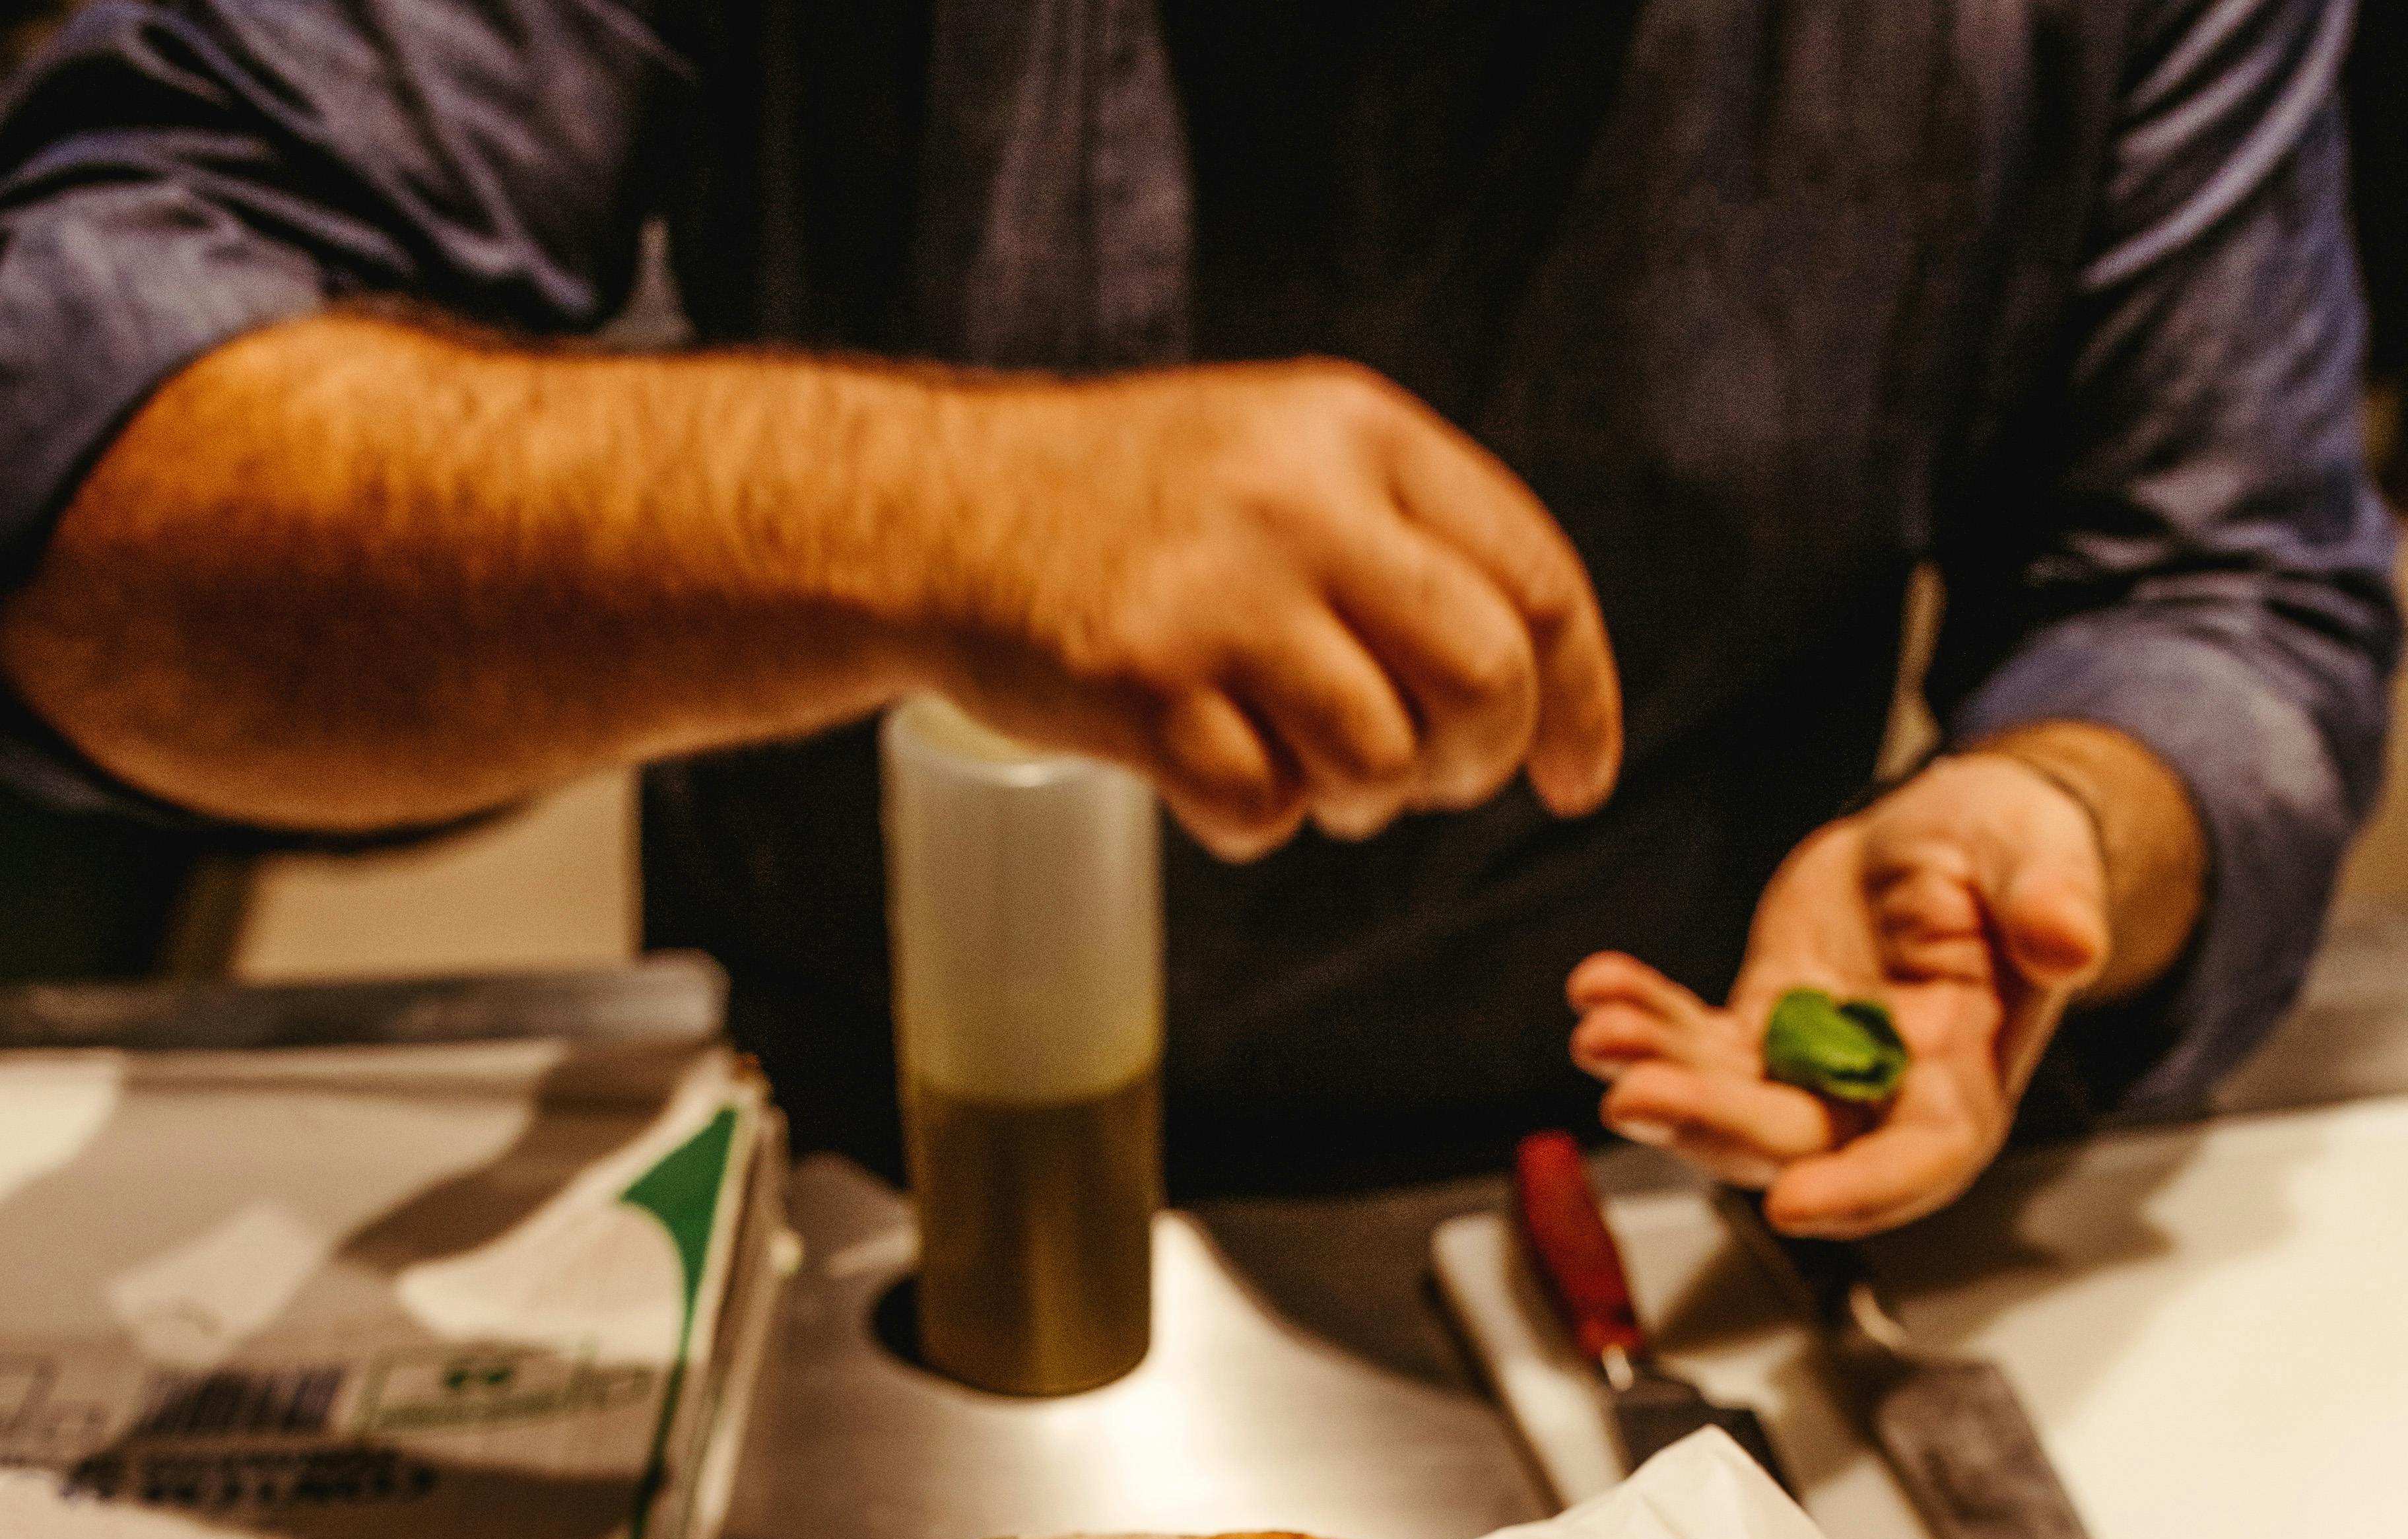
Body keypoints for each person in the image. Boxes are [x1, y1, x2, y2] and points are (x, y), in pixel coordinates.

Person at [0, 1, 2392, 1235]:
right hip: (845, 1177)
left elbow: (2225, 580)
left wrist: (2057, 808)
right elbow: (89, 458)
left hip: (1667, 1182)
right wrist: (932, 506)